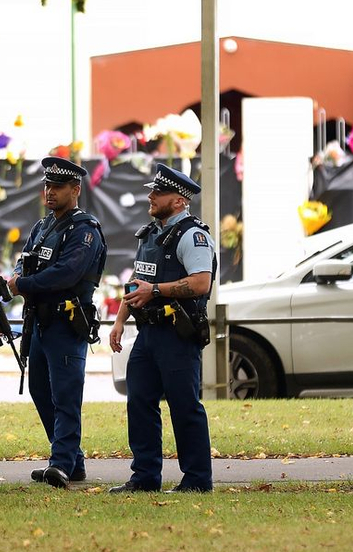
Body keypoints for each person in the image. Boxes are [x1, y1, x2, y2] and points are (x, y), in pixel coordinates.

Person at [108, 163, 217, 494]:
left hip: (177, 335)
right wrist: (120, 318)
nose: (151, 197)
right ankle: (144, 477)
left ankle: (198, 479)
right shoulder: (151, 234)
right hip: (148, 335)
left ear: (180, 200)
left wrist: (156, 291)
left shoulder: (193, 236)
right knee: (139, 402)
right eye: (152, 191)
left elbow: (200, 283)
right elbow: (138, 282)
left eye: (159, 193)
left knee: (184, 406)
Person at [7, 157, 107, 489]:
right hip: (40, 323)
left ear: (75, 190)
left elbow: (67, 273)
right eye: (47, 186)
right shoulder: (43, 226)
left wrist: (22, 285)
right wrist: (18, 279)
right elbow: (26, 263)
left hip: (67, 322)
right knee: (40, 389)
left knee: (65, 394)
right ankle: (70, 460)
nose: (49, 192)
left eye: (58, 187)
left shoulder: (85, 230)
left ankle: (61, 462)